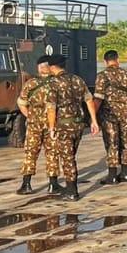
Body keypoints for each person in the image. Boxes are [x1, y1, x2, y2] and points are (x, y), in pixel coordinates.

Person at [43, 56, 98, 200]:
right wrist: (94, 121)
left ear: (52, 67)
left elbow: (51, 108)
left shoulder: (53, 83)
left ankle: (72, 191)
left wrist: (51, 128)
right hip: (78, 124)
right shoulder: (78, 80)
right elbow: (89, 100)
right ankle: (70, 187)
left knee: (67, 158)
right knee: (71, 155)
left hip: (63, 125)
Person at [93, 49, 127, 185]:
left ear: (105, 62)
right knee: (124, 142)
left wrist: (93, 116)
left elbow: (98, 98)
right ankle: (125, 173)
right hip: (125, 113)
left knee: (111, 142)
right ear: (118, 60)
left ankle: (112, 175)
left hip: (109, 114)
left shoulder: (102, 76)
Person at [15, 54, 53, 194]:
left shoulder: (30, 84)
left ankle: (26, 184)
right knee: (52, 153)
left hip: (34, 124)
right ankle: (53, 184)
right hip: (52, 123)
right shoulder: (56, 83)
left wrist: (30, 116)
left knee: (30, 153)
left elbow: (21, 103)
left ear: (38, 68)